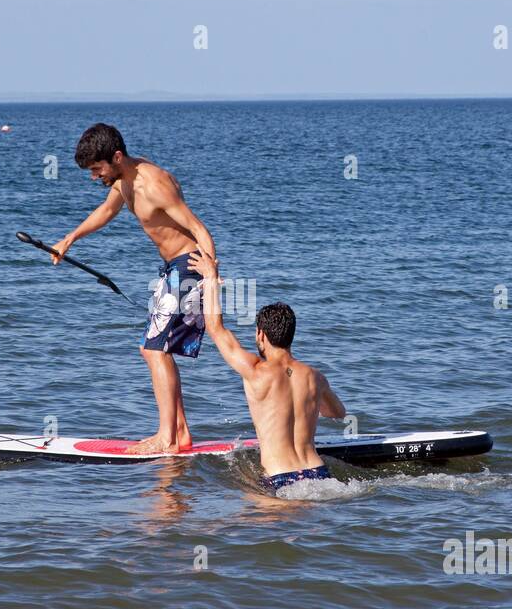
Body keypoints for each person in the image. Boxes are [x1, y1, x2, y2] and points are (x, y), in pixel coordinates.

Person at [53, 123, 217, 454]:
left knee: (153, 349)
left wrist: (211, 273)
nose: (94, 177)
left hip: (189, 267)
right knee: (158, 349)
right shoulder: (123, 178)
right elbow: (106, 211)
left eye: (97, 169)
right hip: (172, 270)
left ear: (116, 157)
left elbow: (198, 227)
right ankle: (180, 432)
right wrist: (70, 239)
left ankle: (166, 438)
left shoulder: (153, 185)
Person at [187, 251, 348, 494]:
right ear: (291, 335)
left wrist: (210, 277)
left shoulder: (255, 371)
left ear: (260, 335)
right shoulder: (315, 377)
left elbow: (215, 328)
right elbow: (337, 413)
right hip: (319, 475)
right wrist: (311, 404)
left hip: (279, 478)